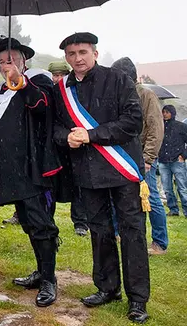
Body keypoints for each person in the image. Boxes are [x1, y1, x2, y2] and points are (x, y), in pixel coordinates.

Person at [53, 33, 150, 323]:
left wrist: (92, 135)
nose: (77, 58)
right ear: (67, 58)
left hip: (122, 170)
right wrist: (66, 138)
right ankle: (108, 288)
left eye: (83, 52)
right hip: (88, 172)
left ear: (95, 53)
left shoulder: (118, 80)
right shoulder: (62, 89)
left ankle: (137, 299)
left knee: (132, 233)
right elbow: (55, 127)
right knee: (99, 231)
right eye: (71, 54)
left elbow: (133, 122)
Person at [0, 38, 60, 308]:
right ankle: (41, 271)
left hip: (33, 168)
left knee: (42, 224)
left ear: (24, 61)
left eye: (12, 60)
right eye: (2, 62)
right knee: (27, 223)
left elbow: (42, 107)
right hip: (10, 170)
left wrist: (21, 82)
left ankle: (49, 280)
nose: (7, 65)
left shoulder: (39, 82)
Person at [111, 57, 167, 255]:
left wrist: (148, 158)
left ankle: (159, 242)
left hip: (142, 156)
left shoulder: (146, 95)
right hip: (121, 154)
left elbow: (155, 129)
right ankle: (117, 234)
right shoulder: (118, 94)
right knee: (117, 196)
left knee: (150, 198)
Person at [48, 60, 90, 237]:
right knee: (50, 185)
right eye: (55, 75)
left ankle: (80, 222)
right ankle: (47, 220)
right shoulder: (48, 93)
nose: (58, 78)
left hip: (75, 146)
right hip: (53, 146)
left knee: (78, 184)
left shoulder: (76, 93)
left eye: (61, 75)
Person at [157, 104, 187, 217]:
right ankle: (173, 209)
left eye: (167, 112)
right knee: (167, 188)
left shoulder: (181, 126)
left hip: (177, 161)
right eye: (163, 112)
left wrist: (184, 155)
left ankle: (186, 210)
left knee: (182, 187)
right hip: (163, 161)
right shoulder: (160, 127)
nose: (165, 114)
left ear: (172, 113)